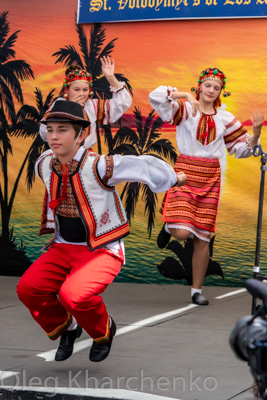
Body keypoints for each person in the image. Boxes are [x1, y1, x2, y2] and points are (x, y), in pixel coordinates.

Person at [16, 100, 186, 363]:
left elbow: (140, 166)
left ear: (81, 135)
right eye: (50, 130)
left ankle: (103, 331)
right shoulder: (44, 164)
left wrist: (173, 178)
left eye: (62, 130)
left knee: (72, 295)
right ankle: (69, 328)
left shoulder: (98, 166)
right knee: (28, 288)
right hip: (63, 246)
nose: (54, 136)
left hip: (101, 250)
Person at [149, 67, 264, 306]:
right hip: (184, 173)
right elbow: (157, 96)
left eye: (217, 87)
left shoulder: (225, 119)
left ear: (222, 92)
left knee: (202, 238)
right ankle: (169, 225)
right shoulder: (183, 110)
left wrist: (255, 134)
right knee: (182, 233)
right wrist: (185, 96)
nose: (211, 90)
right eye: (208, 85)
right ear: (199, 86)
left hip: (211, 178)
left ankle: (196, 291)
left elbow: (240, 150)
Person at [40, 56, 132, 150]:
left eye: (85, 90)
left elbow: (123, 103)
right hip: (62, 156)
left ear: (90, 91)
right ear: (67, 90)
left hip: (86, 157)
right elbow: (44, 132)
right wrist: (69, 109)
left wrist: (110, 77)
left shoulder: (91, 105)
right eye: (76, 89)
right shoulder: (59, 105)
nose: (81, 94)